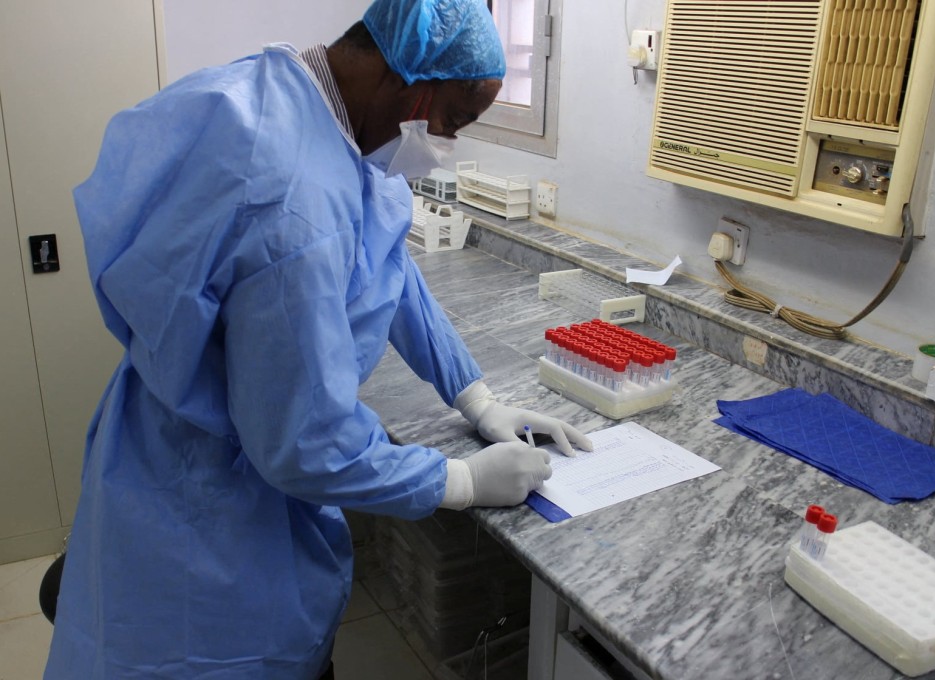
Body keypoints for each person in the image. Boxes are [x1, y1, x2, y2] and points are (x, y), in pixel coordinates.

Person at [44, 1, 591, 677]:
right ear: (410, 84)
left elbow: (389, 267)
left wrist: (475, 396)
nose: (447, 143)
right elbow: (304, 444)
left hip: (165, 447)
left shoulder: (297, 98)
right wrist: (459, 481)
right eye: (453, 122)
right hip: (210, 513)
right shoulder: (292, 207)